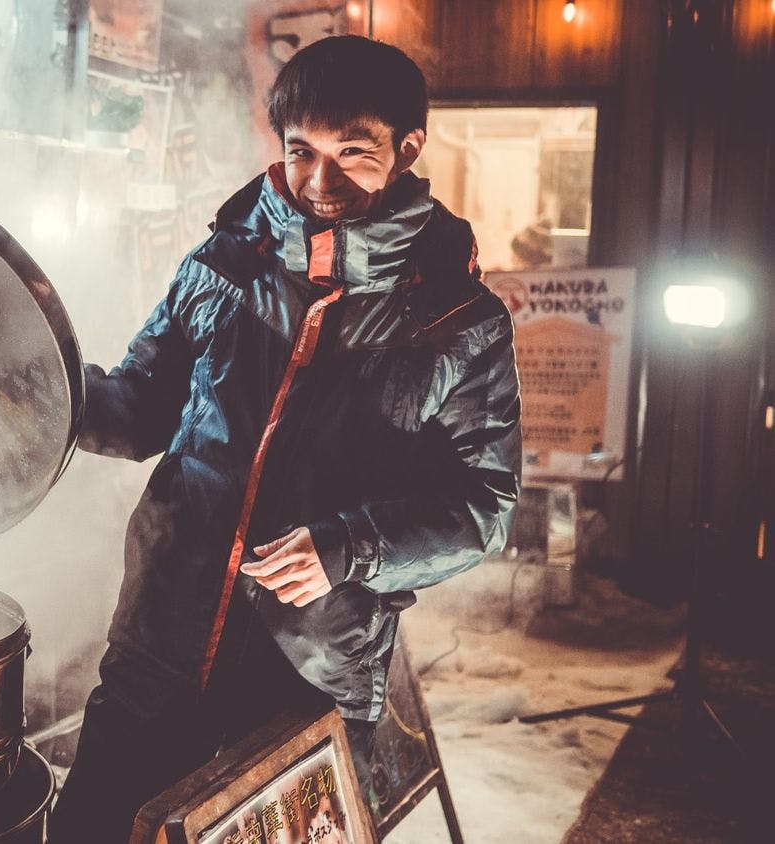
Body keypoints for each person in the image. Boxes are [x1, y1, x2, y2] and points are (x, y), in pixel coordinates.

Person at [48, 35, 521, 842]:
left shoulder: (457, 321)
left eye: (354, 152)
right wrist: (44, 389)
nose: (319, 180)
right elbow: (137, 412)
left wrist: (344, 547)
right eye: (301, 150)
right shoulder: (221, 265)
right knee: (92, 831)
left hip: (309, 674)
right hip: (157, 641)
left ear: (408, 148)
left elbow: (484, 507)